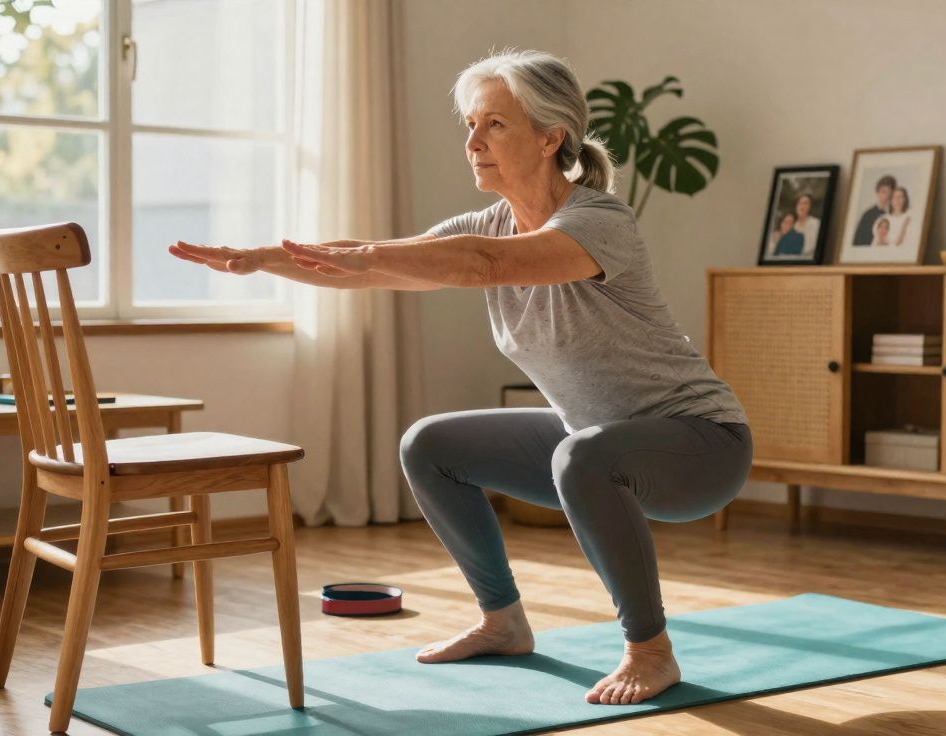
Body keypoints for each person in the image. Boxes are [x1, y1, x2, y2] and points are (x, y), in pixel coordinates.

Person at [166, 49, 752, 707]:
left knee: (582, 457)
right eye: (470, 125)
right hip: (595, 443)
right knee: (432, 446)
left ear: (550, 136)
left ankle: (651, 651)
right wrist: (264, 259)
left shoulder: (597, 222)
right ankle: (502, 622)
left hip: (701, 445)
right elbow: (377, 267)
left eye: (494, 125)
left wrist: (358, 255)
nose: (473, 142)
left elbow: (479, 265)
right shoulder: (491, 223)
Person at [852, 175, 896, 245]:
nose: (886, 196)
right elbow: (858, 241)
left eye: (889, 193)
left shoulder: (894, 215)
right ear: (877, 192)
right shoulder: (868, 215)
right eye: (883, 192)